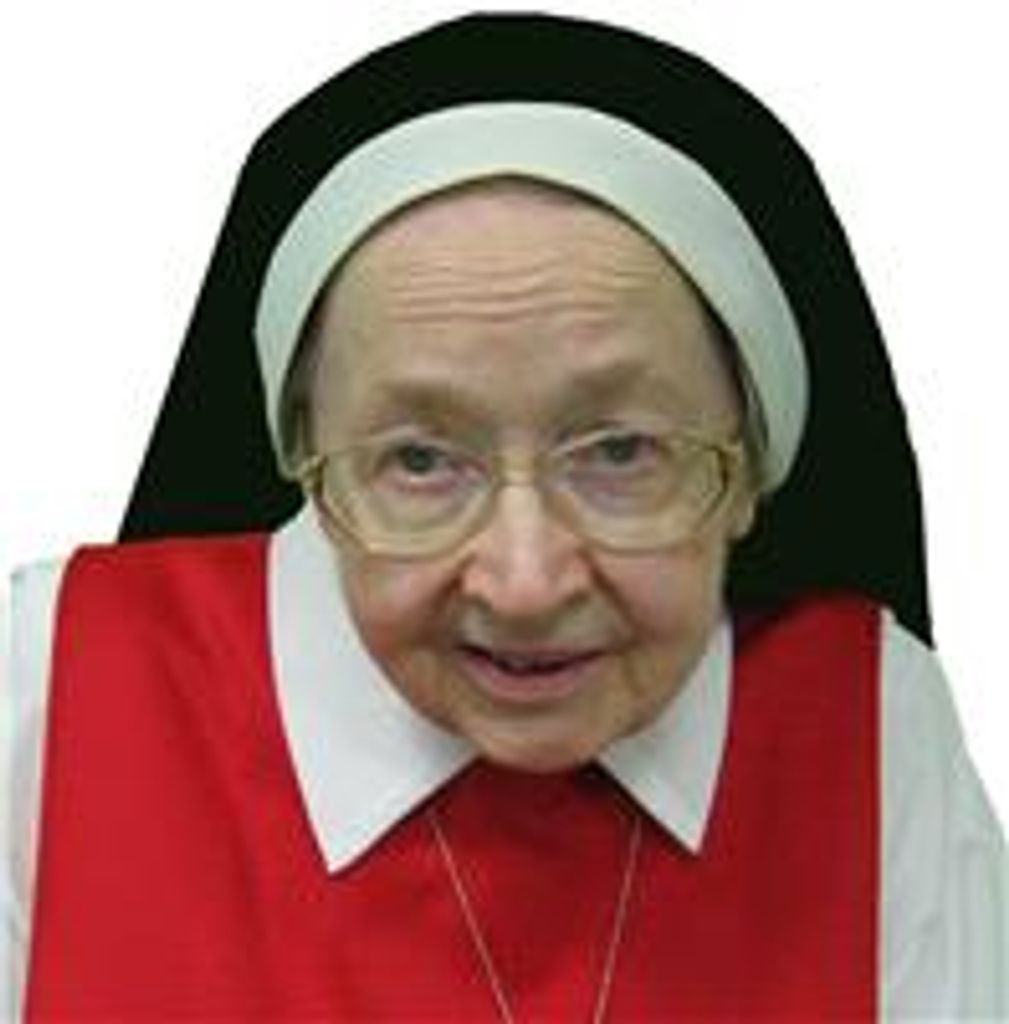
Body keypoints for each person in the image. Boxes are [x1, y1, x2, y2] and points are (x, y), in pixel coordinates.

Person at [2, 12, 1005, 1020]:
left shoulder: (867, 725)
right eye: (419, 461)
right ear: (308, 466)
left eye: (619, 452)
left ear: (748, 467)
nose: (524, 583)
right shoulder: (49, 688)